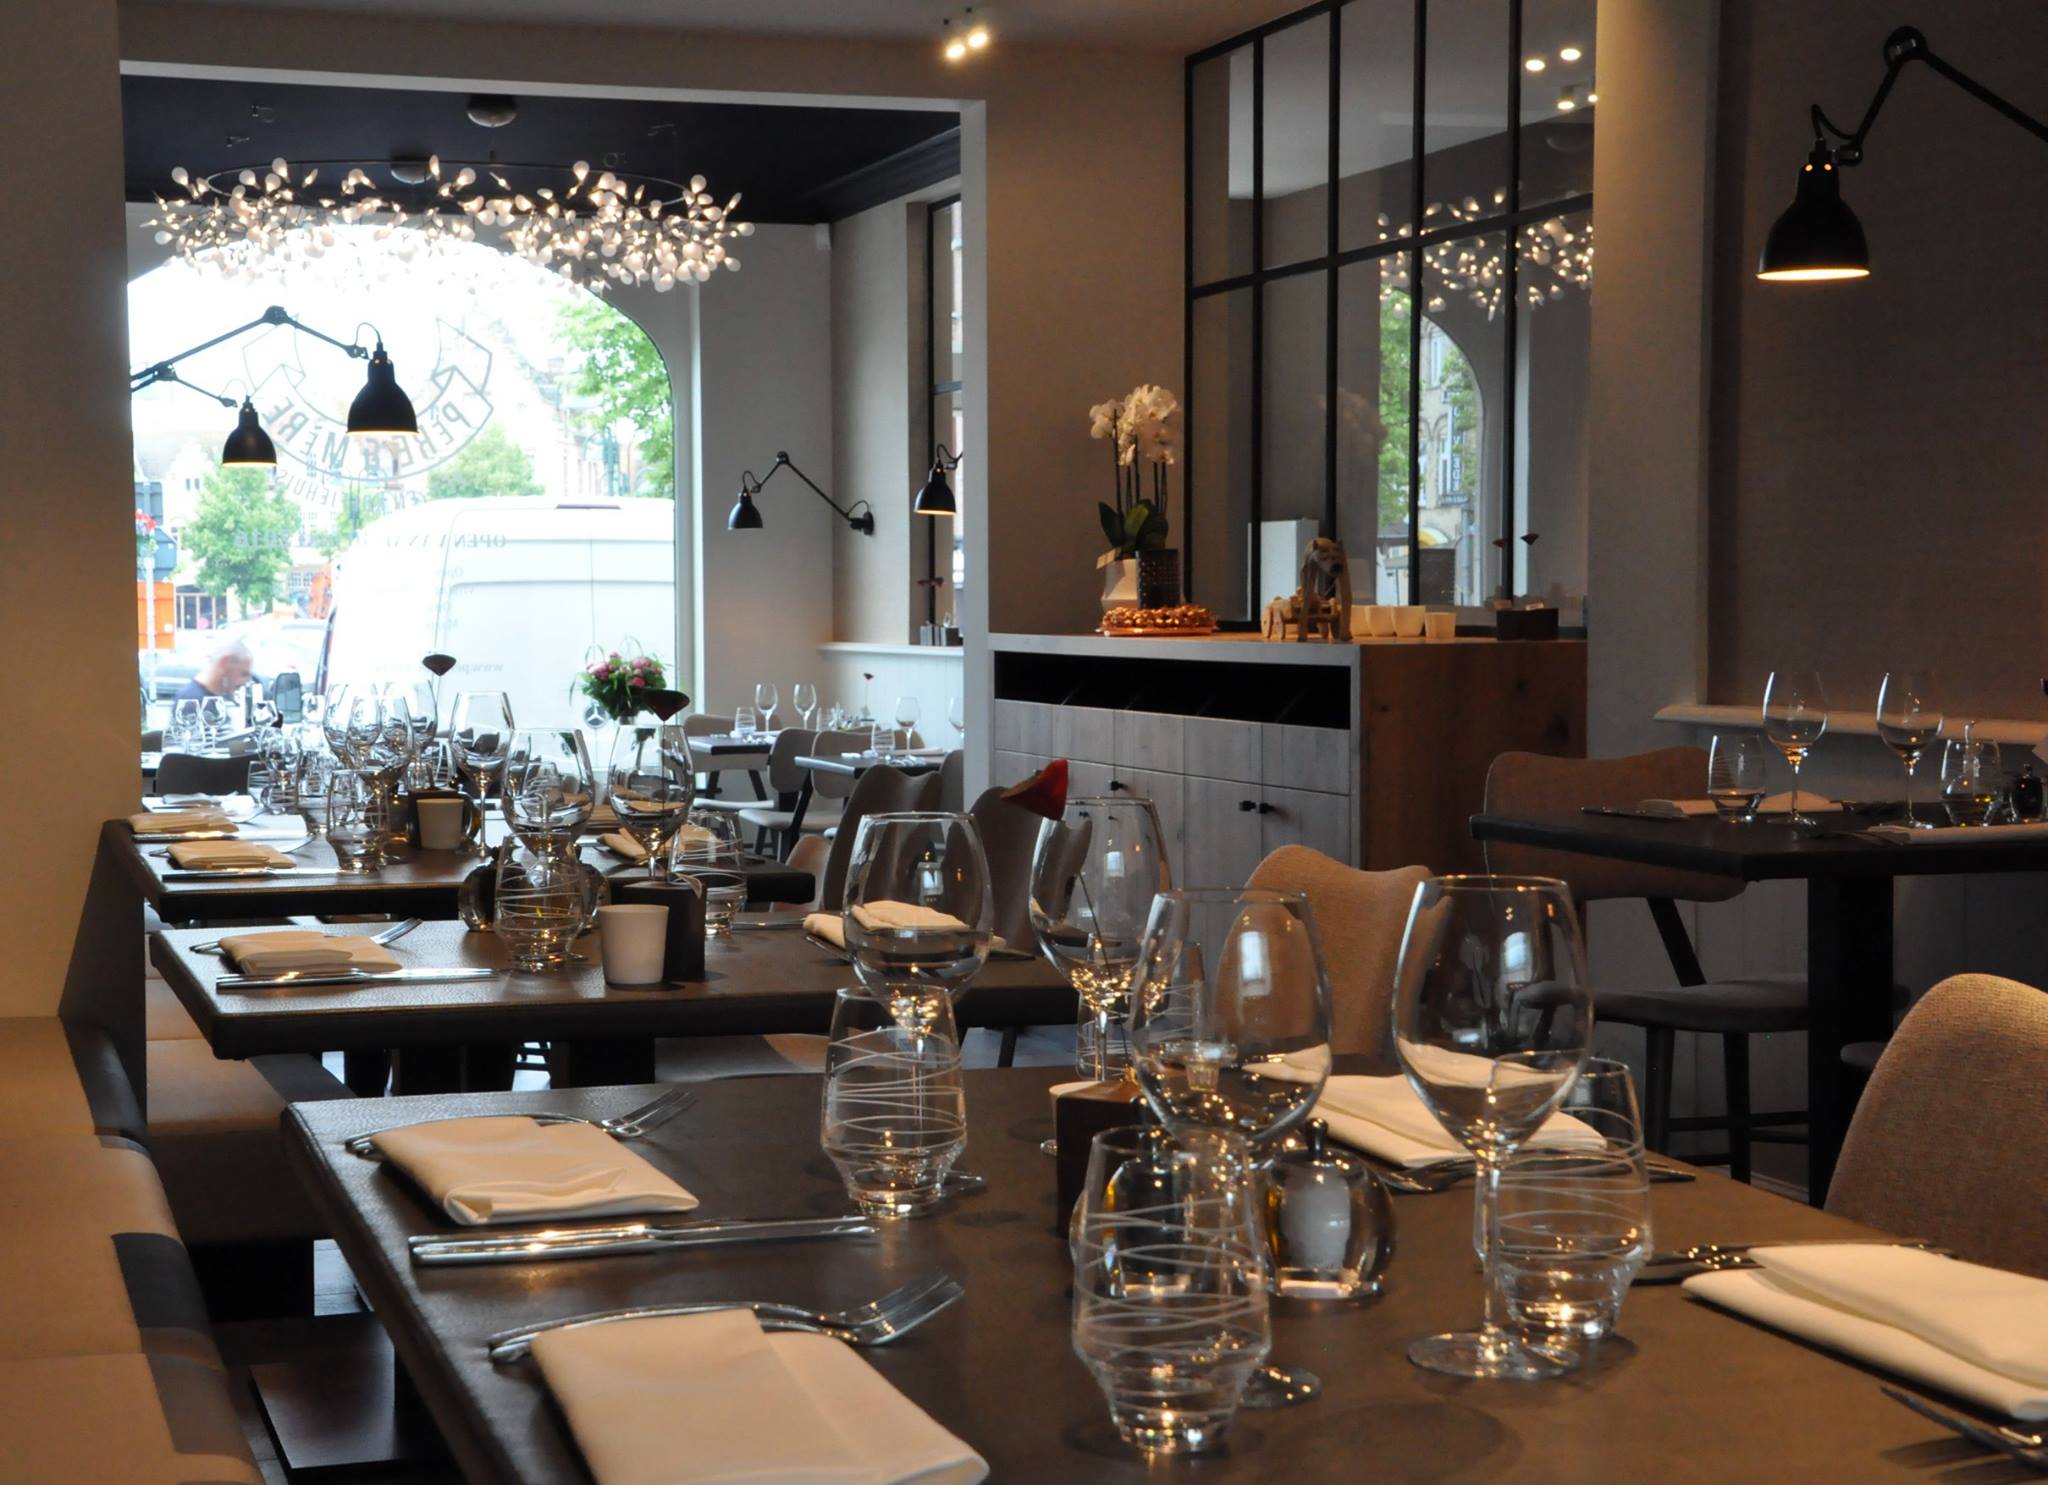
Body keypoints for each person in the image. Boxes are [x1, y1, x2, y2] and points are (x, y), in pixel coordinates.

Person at [177, 638, 252, 700]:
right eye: (244, 674)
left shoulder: (204, 699)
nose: (246, 681)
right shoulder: (193, 701)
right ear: (224, 662)